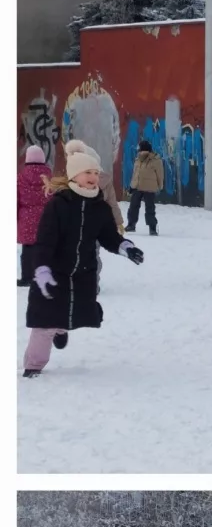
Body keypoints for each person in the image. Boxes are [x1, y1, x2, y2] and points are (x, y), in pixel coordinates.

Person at [23, 147, 145, 377]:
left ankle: (61, 327)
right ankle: (33, 366)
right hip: (54, 272)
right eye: (87, 172)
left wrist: (125, 247)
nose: (93, 177)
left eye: (96, 173)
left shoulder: (99, 206)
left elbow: (109, 236)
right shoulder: (58, 204)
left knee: (73, 311)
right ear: (73, 175)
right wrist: (41, 269)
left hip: (82, 273)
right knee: (44, 321)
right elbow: (45, 240)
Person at [65, 140, 124, 233]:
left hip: (77, 227)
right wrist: (118, 222)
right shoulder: (105, 181)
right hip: (95, 226)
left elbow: (112, 204)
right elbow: (112, 204)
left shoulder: (69, 181)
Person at [17, 144, 51, 287]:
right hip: (46, 218)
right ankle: (44, 276)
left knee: (27, 250)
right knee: (43, 249)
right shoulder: (49, 177)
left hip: (27, 218)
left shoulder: (21, 177)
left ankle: (26, 277)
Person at [126, 139, 165, 235]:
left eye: (141, 150)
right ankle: (131, 225)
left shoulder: (155, 160)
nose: (140, 152)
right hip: (137, 187)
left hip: (149, 188)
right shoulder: (137, 160)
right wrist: (132, 186)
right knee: (133, 207)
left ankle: (152, 228)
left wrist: (160, 186)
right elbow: (135, 174)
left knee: (150, 208)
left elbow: (160, 174)